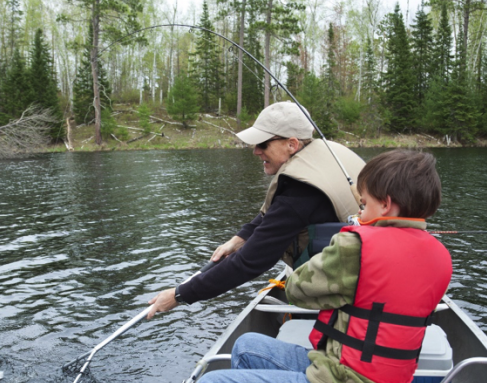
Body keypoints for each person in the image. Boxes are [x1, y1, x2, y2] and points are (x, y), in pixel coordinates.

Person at [193, 149, 453, 383]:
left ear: (386, 205)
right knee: (247, 347)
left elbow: (298, 290)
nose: (359, 211)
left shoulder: (356, 246)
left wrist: (345, 240)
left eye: (363, 204)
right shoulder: (438, 256)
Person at [147, 101, 365, 319]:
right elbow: (272, 216)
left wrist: (179, 295)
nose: (255, 151)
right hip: (359, 273)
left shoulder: (301, 192)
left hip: (348, 295)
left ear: (292, 144)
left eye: (262, 144)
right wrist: (238, 239)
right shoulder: (325, 154)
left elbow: (249, 262)